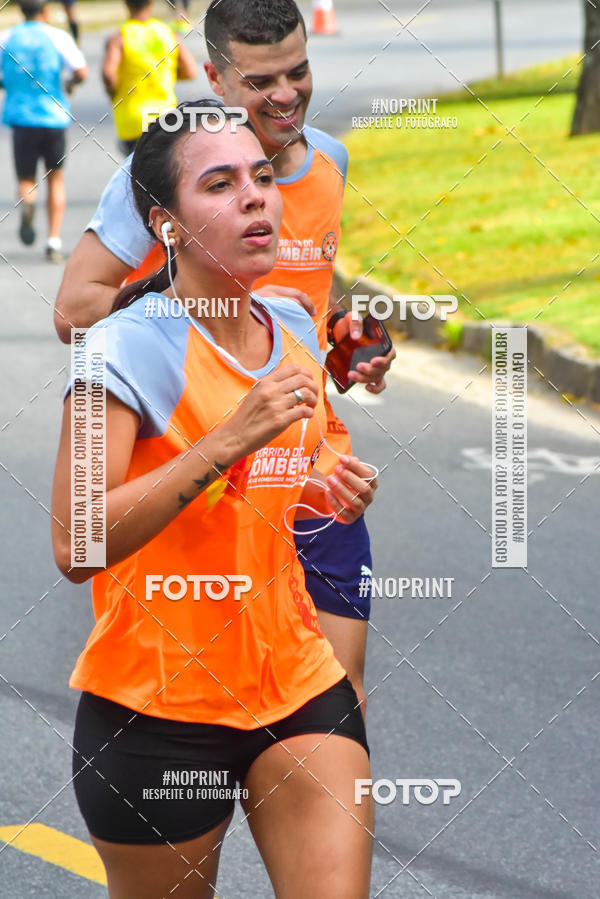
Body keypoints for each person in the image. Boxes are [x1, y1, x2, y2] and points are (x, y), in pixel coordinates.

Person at [51, 107, 374, 898]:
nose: (256, 198)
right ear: (165, 224)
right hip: (158, 708)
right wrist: (226, 439)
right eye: (220, 185)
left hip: (296, 679)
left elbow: (284, 469)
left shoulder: (292, 324)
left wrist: (319, 483)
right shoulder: (120, 349)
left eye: (261, 178)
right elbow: (76, 541)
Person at [54, 0, 395, 712]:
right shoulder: (162, 172)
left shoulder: (328, 159)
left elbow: (299, 315)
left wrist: (343, 347)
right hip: (204, 477)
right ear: (213, 76)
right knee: (199, 708)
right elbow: (75, 308)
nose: (284, 96)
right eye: (259, 81)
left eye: (298, 72)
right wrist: (199, 299)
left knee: (336, 699)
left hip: (312, 473)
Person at [0, 0, 87, 261]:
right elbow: (81, 72)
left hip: (21, 117)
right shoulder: (58, 37)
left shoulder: (7, 37)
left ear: (20, 11)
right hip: (53, 117)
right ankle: (53, 242)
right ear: (46, 11)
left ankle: (27, 202)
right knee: (55, 179)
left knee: (26, 179)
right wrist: (69, 83)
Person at [102, 0, 196, 156]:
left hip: (133, 120)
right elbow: (190, 71)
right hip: (166, 118)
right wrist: (165, 74)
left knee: (137, 175)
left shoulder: (120, 37)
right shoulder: (168, 33)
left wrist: (113, 91)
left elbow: (108, 73)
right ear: (151, 4)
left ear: (126, 4)